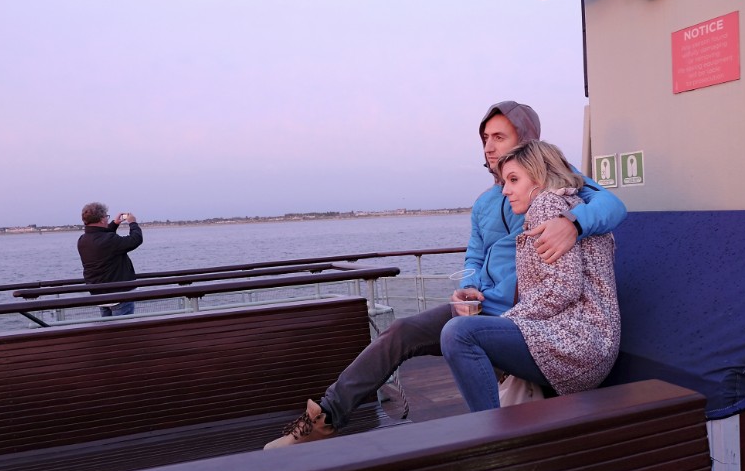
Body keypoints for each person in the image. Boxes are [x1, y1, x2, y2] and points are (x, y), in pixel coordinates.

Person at [263, 100, 626, 449]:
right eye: (485, 138)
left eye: (499, 137)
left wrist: (573, 225)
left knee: (463, 337)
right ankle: (326, 416)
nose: (488, 146)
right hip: (486, 307)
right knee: (402, 331)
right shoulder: (486, 201)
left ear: (527, 140)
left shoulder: (554, 185)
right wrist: (468, 287)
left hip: (528, 315)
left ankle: (488, 439)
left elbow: (614, 205)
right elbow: (474, 255)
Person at [441, 140, 621, 411]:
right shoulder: (569, 206)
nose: (506, 190)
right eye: (504, 181)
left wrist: (506, 321)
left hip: (578, 344)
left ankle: (487, 439)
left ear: (540, 176)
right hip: (589, 343)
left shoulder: (547, 205)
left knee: (459, 334)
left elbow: (563, 288)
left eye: (513, 180)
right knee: (469, 331)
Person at [77, 202, 143, 317]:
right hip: (119, 294)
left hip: (99, 294)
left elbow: (101, 236)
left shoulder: (83, 240)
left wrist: (115, 223)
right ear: (102, 220)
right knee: (122, 330)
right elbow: (135, 239)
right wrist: (132, 223)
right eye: (106, 217)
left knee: (107, 328)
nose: (107, 220)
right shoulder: (109, 240)